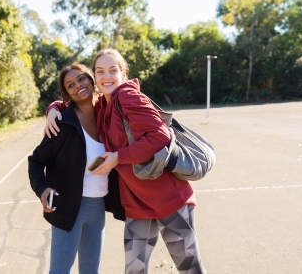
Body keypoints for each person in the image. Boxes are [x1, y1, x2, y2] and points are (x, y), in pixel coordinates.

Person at [46, 49, 207, 274]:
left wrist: (118, 157)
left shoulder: (128, 97)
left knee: (190, 269)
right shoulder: (103, 104)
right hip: (137, 203)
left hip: (169, 199)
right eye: (100, 71)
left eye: (113, 70)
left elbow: (160, 137)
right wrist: (53, 108)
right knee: (134, 270)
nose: (106, 76)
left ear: (123, 73)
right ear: (94, 78)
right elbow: (75, 99)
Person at [28, 63, 124, 274]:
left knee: (91, 272)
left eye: (81, 79)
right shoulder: (63, 124)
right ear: (67, 94)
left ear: (91, 79)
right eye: (70, 85)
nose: (78, 85)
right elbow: (35, 160)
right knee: (60, 271)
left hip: (97, 207)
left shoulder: (106, 115)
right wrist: (42, 189)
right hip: (68, 207)